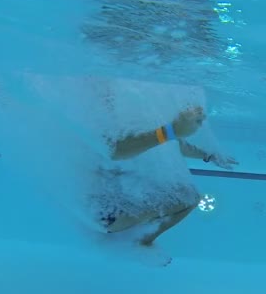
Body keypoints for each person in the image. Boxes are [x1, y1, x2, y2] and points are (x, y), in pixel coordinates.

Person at [97, 105, 238, 246]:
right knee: (190, 198)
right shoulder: (117, 118)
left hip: (108, 208)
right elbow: (115, 150)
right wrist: (170, 131)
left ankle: (138, 237)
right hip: (104, 212)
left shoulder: (137, 114)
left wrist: (208, 155)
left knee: (185, 194)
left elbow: (177, 144)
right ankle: (142, 241)